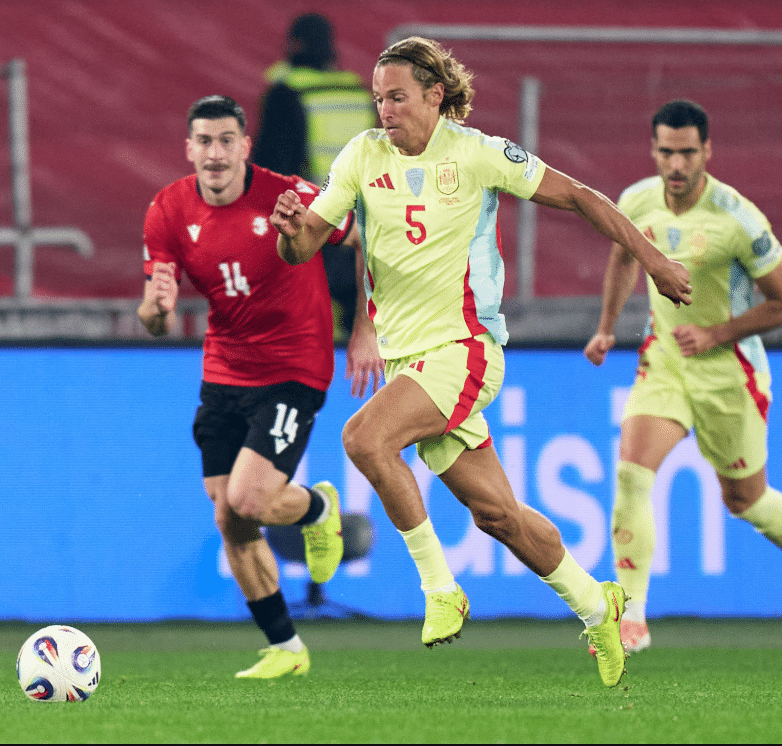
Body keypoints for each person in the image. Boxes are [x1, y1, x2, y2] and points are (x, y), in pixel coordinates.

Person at [269, 36, 692, 688]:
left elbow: (580, 196)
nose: (385, 110)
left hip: (464, 350)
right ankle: (595, 603)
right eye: (378, 98)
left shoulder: (476, 154)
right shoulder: (361, 155)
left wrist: (655, 261)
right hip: (411, 362)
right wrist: (288, 228)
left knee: (364, 438)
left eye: (398, 97)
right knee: (498, 516)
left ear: (435, 95)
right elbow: (304, 249)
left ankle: (439, 586)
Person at [138, 95, 384, 679]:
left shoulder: (288, 195)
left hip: (295, 365)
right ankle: (285, 649)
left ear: (245, 146)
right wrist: (154, 309)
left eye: (227, 140)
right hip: (223, 370)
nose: (215, 153)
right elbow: (157, 317)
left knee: (248, 499)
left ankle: (319, 507)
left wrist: (366, 328)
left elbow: (367, 235)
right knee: (231, 517)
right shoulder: (168, 211)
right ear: (189, 148)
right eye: (204, 141)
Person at [583, 99, 782, 654]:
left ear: (707, 152)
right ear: (654, 150)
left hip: (729, 373)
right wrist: (605, 327)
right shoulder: (637, 201)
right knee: (631, 476)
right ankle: (631, 618)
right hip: (665, 359)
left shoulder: (739, 219)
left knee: (744, 500)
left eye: (687, 152)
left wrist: (716, 334)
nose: (676, 164)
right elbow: (625, 257)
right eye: (666, 151)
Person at [253, 12, 377, 341]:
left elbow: (270, 170)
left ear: (294, 44)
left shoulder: (287, 94)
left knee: (308, 330)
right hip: (362, 230)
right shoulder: (360, 94)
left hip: (311, 227)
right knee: (359, 331)